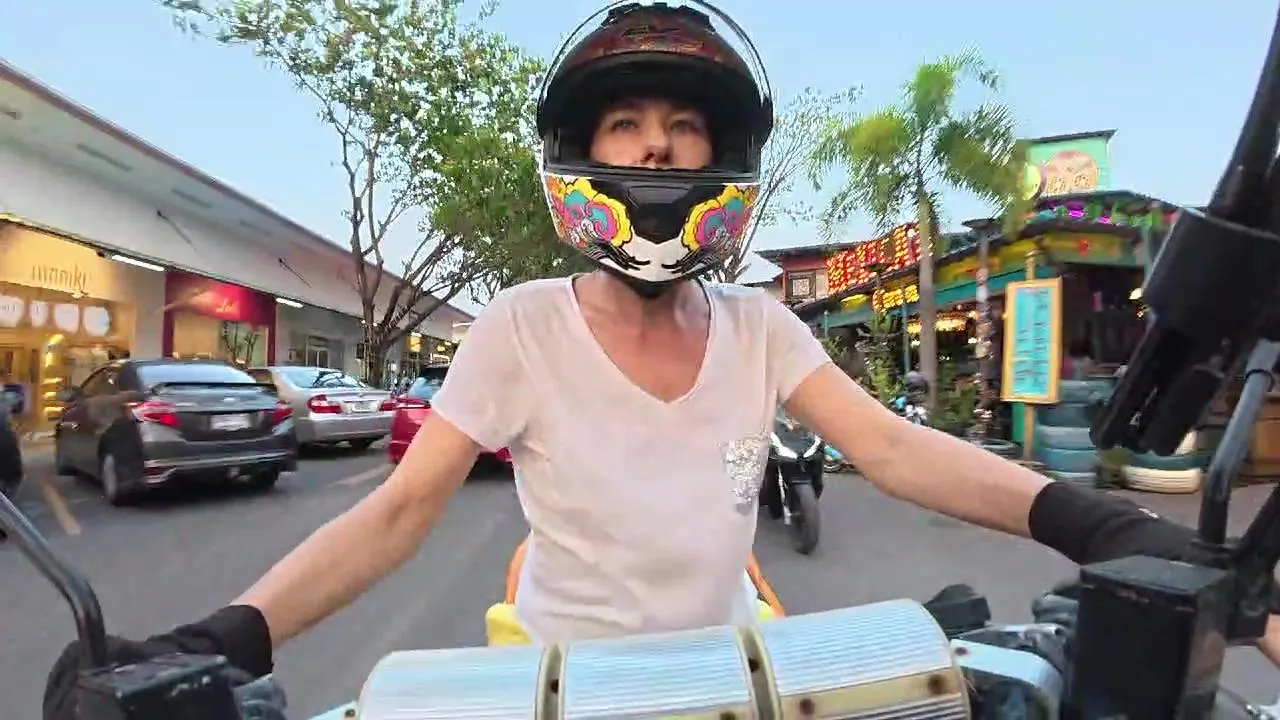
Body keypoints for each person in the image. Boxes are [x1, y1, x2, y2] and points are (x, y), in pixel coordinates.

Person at [42, 1, 1280, 716]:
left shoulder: (759, 327)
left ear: (718, 161)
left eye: (682, 129)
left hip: (739, 666)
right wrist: (233, 632)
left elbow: (894, 450)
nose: (652, 150)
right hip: (553, 677)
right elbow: (397, 512)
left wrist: (1092, 522)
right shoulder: (523, 324)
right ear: (579, 154)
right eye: (625, 124)